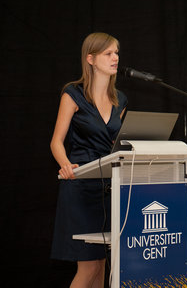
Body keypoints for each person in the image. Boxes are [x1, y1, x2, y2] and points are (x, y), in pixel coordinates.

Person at [50, 32, 128, 287]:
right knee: (89, 266)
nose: (115, 58)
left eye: (116, 52)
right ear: (91, 59)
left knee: (101, 265)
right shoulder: (73, 94)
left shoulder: (121, 100)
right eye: (108, 53)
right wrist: (64, 163)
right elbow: (56, 142)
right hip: (80, 185)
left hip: (107, 187)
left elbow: (116, 145)